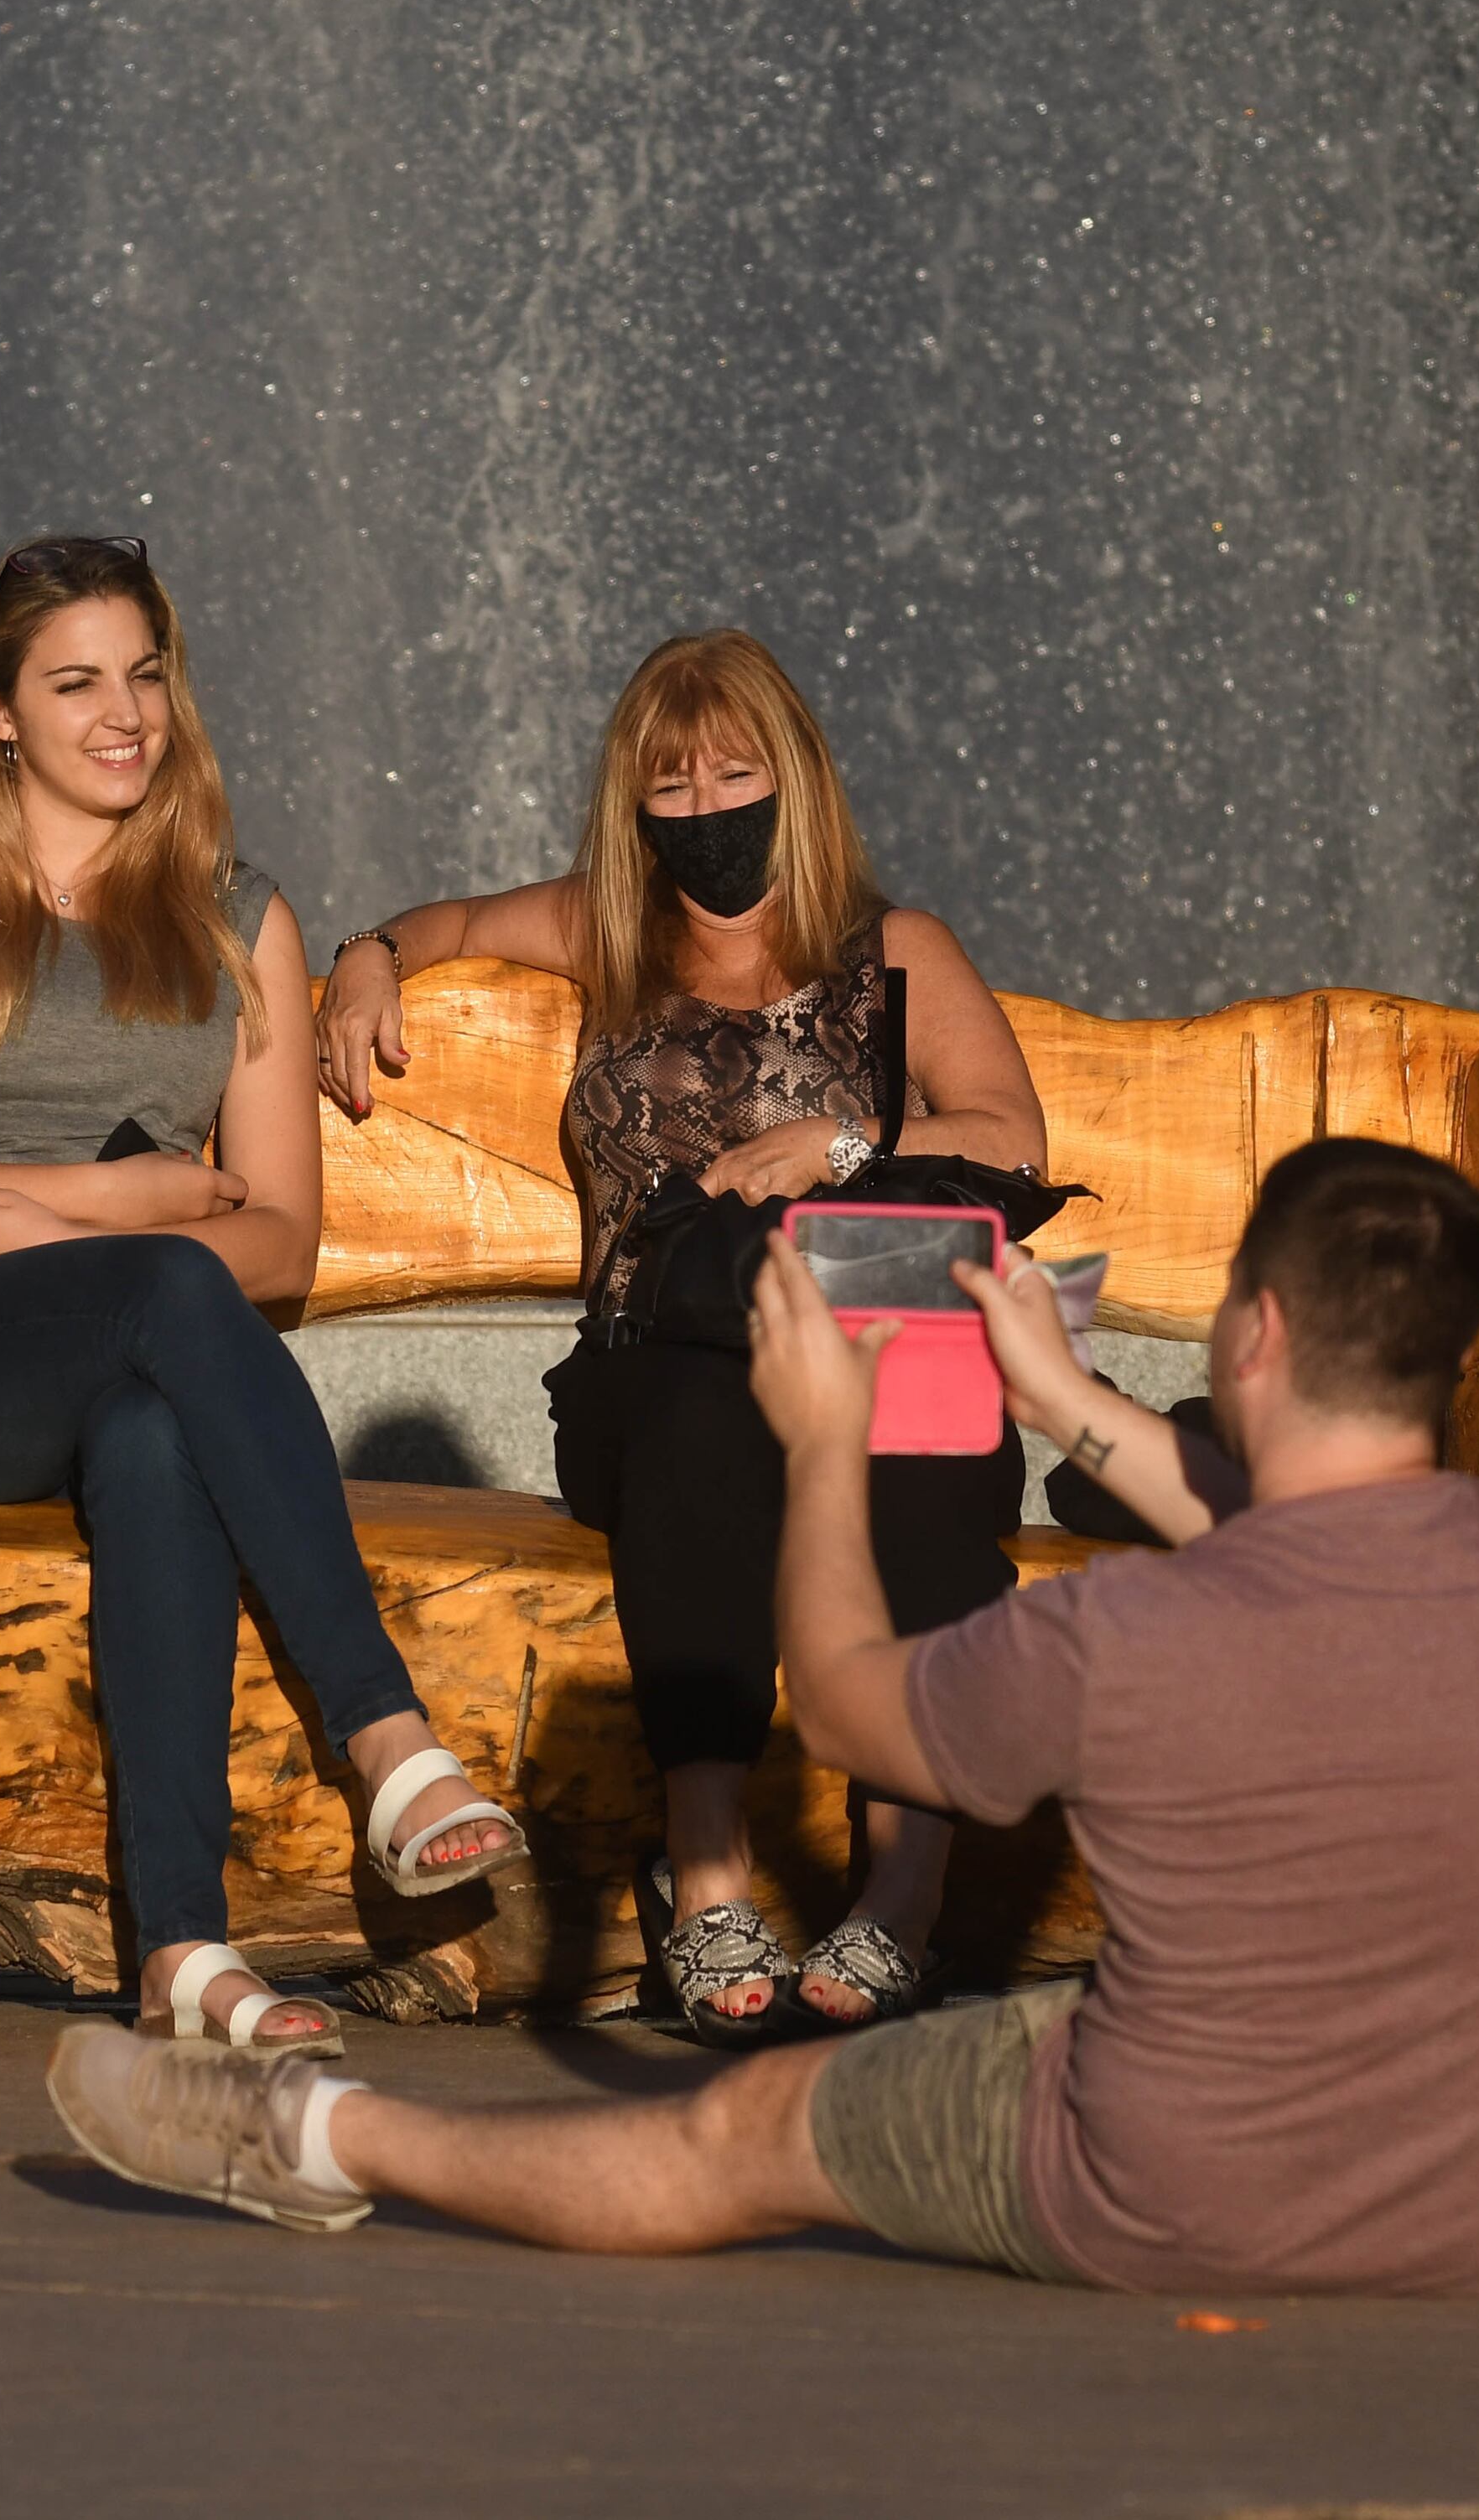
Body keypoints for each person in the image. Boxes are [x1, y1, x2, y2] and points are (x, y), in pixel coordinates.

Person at [42, 1137, 1479, 2285]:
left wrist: (833, 1434)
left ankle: (314, 2140)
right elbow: (1303, 1537)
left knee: (739, 2141)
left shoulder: (1113, 1648)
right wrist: (1070, 1402)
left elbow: (845, 1696)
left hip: (1163, 2182)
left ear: (1265, 1334)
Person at [0, 532, 524, 2056]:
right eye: (75, 682)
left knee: (151, 1434)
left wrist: (67, 1217)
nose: (123, 714)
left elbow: (284, 1252)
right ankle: (386, 1740)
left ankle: (182, 1947)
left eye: (145, 674)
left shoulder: (235, 920)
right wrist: (121, 1205)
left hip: (117, 1333)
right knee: (169, 1285)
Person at [315, 630, 1053, 2039]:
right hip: (653, 1358)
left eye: (737, 769)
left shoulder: (894, 952)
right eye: (673, 781)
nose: (708, 804)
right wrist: (364, 959)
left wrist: (829, 1143)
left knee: (926, 1445)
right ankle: (707, 1877)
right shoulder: (609, 927)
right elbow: (450, 918)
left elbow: (1011, 1139)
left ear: (799, 776)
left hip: (858, 1332)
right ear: (633, 804)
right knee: (705, 1422)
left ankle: (905, 1886)